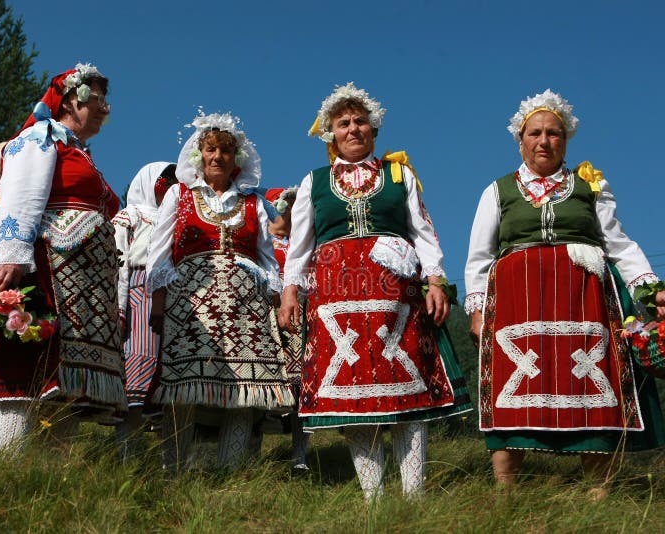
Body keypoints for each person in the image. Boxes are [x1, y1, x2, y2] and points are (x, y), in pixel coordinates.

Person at [464, 89, 665, 491]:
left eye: (553, 133)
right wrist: (477, 310)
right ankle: (506, 497)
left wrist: (652, 291)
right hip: (515, 305)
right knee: (511, 392)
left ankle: (598, 494)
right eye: (535, 133)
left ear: (566, 139)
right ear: (520, 140)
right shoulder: (498, 190)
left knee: (591, 389)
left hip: (584, 301)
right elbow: (479, 257)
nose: (544, 141)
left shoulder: (590, 186)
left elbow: (620, 246)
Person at [279, 83, 471, 500]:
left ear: (374, 129)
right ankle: (373, 498)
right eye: (343, 123)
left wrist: (435, 281)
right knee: (352, 392)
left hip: (395, 294)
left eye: (360, 121)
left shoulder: (398, 174)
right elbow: (299, 245)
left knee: (407, 388)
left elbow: (424, 233)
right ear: (330, 133)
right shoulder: (313, 182)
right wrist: (290, 291)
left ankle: (414, 495)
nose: (352, 129)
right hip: (335, 296)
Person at [0, 62, 126, 451]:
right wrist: (12, 253)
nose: (105, 109)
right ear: (70, 100)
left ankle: (54, 474)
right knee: (31, 360)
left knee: (64, 381)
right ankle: (11, 465)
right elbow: (21, 193)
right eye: (98, 99)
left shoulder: (80, 152)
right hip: (49, 266)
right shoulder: (40, 138)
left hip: (82, 279)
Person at [147, 112, 294, 471]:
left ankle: (233, 472)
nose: (217, 157)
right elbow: (159, 253)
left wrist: (274, 299)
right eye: (211, 150)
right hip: (190, 303)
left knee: (245, 388)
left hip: (246, 306)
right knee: (182, 387)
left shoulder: (253, 202)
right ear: (200, 155)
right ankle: (175, 469)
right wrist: (159, 303)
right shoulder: (179, 195)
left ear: (236, 159)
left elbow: (267, 256)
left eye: (225, 152)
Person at [112, 161, 177, 456]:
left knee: (167, 378)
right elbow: (119, 263)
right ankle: (128, 452)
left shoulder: (177, 219)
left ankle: (168, 458)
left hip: (174, 299)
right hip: (140, 296)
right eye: (165, 181)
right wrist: (120, 307)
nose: (170, 187)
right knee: (138, 374)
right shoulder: (130, 216)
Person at [264, 186, 311, 470]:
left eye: (295, 206)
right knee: (261, 391)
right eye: (285, 205)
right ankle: (248, 453)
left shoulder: (300, 247)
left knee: (299, 391)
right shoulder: (261, 242)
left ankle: (300, 456)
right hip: (265, 319)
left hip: (296, 322)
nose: (291, 211)